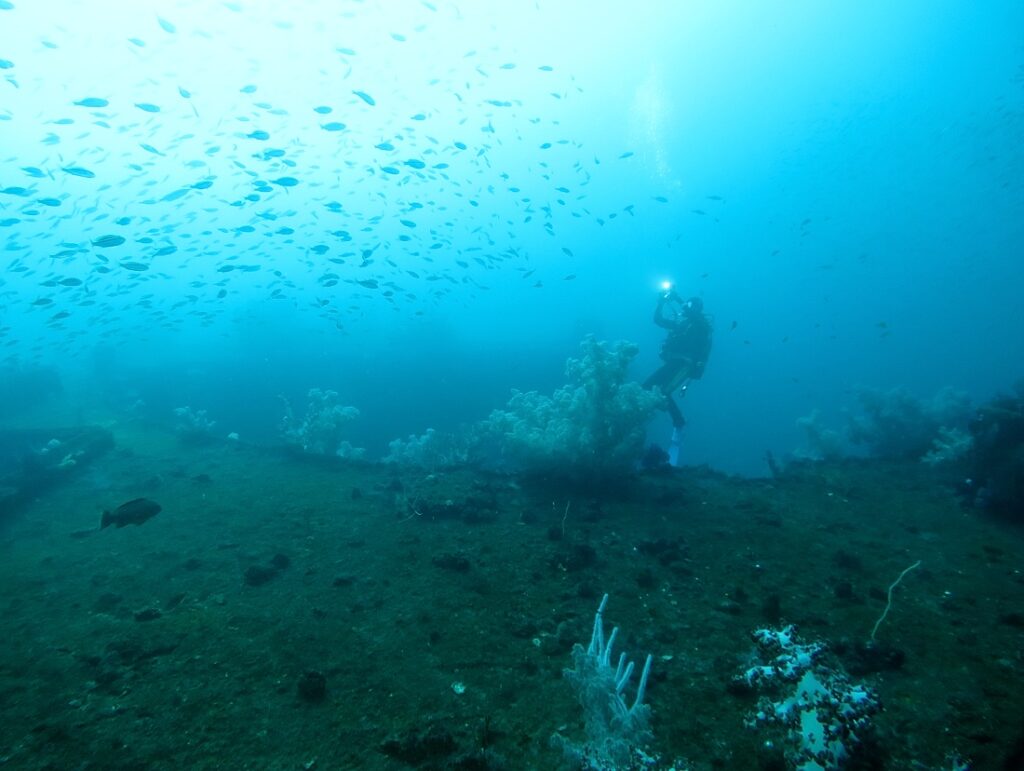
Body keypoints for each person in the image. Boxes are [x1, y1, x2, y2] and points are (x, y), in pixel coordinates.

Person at [644, 287, 712, 465]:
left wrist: (679, 299)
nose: (686, 307)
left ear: (697, 309)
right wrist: (660, 302)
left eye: (691, 305)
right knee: (646, 387)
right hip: (673, 363)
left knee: (663, 392)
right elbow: (658, 320)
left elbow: (699, 320)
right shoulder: (683, 324)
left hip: (686, 365)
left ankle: (679, 424)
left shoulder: (702, 325)